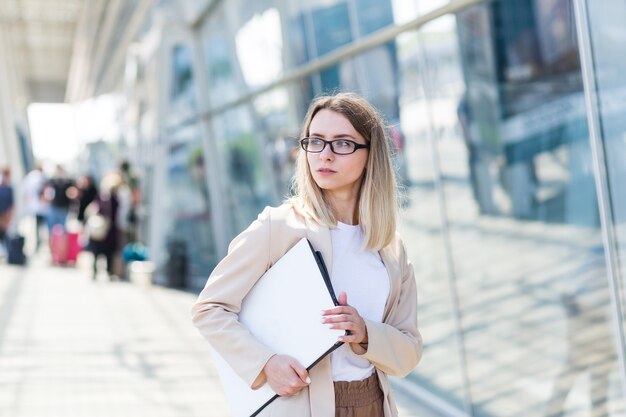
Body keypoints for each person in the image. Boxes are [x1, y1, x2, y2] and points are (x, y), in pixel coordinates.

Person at [192, 92, 422, 417]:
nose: (324, 155)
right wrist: (266, 364)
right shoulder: (280, 226)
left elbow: (409, 348)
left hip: (374, 403)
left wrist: (366, 332)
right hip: (303, 405)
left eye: (342, 143)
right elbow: (209, 308)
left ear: (371, 155)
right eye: (315, 141)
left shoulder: (390, 247)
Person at [21, 164, 48, 251]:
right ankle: (38, 243)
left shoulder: (30, 177)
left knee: (35, 226)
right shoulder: (40, 177)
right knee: (39, 226)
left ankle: (35, 243)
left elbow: (25, 191)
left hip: (32, 206)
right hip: (38, 207)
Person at [0, 166, 14, 244]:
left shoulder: (9, 188)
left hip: (6, 215)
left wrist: (9, 216)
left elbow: (11, 203)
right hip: (1, 214)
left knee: (6, 234)